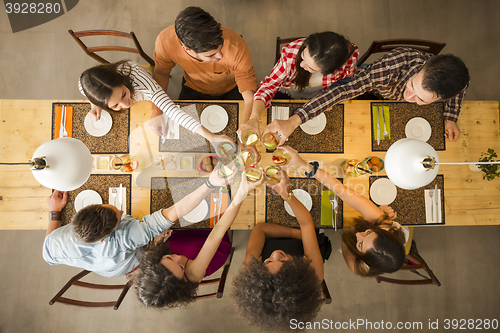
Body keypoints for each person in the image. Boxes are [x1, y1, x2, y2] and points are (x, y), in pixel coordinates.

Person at [42, 169, 233, 278]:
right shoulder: (128, 237)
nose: (122, 211)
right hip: (132, 264)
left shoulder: (60, 241)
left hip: (108, 268)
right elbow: (174, 213)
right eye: (120, 217)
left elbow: (48, 254)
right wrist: (210, 183)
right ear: (106, 237)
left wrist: (55, 212)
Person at [263, 47, 470, 142]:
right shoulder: (392, 67)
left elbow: (462, 88)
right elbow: (343, 90)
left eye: (421, 100)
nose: (409, 98)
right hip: (370, 89)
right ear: (423, 66)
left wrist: (450, 118)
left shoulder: (457, 85)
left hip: (389, 103)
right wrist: (293, 121)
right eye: (411, 86)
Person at [134, 172, 264, 308]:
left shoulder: (153, 263)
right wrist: (242, 192)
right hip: (209, 242)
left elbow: (157, 240)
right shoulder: (193, 273)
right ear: (183, 283)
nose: (178, 258)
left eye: (169, 258)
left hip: (183, 235)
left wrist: (159, 239)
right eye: (180, 267)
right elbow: (217, 232)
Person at [280, 146, 406, 277]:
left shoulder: (356, 266)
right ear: (380, 230)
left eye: (360, 245)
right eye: (368, 232)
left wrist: (354, 231)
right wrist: (303, 165)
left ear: (362, 257)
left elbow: (346, 237)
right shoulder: (382, 222)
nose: (358, 235)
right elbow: (340, 190)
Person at [231, 170, 325, 331]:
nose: (275, 254)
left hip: (282, 230)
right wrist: (286, 194)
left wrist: (301, 235)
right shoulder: (313, 274)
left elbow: (260, 229)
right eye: (283, 261)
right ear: (299, 273)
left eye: (267, 261)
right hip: (301, 234)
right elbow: (307, 224)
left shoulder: (253, 271)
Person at [152, 6, 258, 137]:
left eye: (221, 48)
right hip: (193, 89)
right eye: (211, 55)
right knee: (184, 138)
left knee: (234, 136)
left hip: (232, 89)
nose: (220, 56)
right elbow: (161, 73)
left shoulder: (237, 46)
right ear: (187, 49)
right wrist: (156, 112)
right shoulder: (165, 42)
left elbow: (248, 89)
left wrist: (247, 128)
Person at [238, 31, 359, 143]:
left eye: (311, 68)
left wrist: (331, 99)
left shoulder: (349, 59)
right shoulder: (291, 53)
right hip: (291, 91)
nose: (301, 64)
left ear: (330, 70)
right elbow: (268, 87)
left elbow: (345, 85)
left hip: (320, 98)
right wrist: (254, 117)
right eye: (303, 56)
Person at [79, 60, 230, 142]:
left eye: (124, 94)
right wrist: (95, 103)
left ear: (122, 81)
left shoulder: (144, 85)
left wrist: (212, 137)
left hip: (147, 90)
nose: (126, 105)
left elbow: (173, 112)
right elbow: (81, 84)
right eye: (116, 105)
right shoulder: (88, 84)